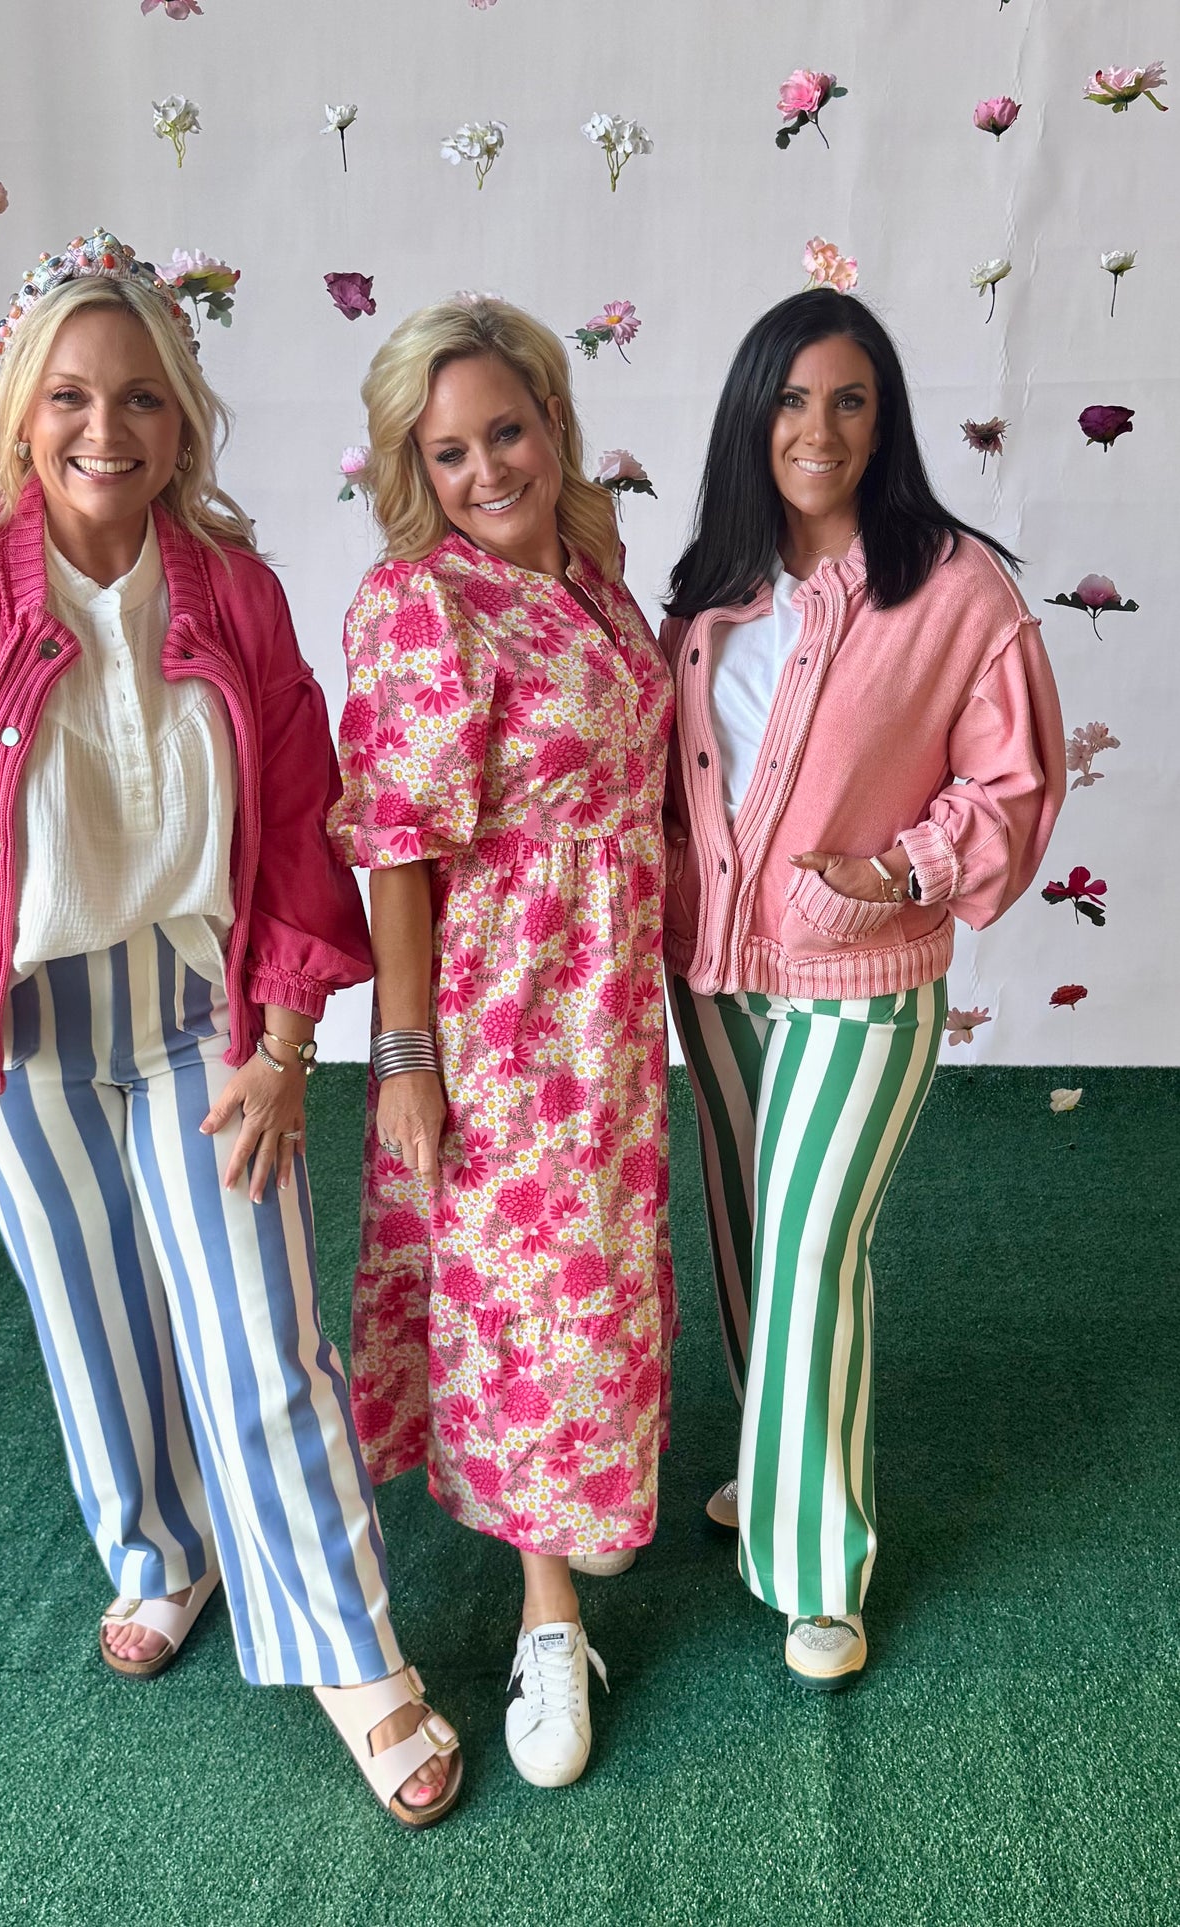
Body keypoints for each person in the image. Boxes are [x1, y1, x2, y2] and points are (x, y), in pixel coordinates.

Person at [0, 230, 460, 1826]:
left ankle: (352, 1651)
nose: (104, 430)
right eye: (69, 395)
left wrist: (281, 1045)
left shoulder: (236, 592)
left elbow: (293, 825)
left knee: (257, 1337)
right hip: (17, 1019)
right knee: (90, 1314)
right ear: (19, 408)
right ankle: (161, 1555)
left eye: (139, 397)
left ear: (182, 419)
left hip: (199, 1009)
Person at [662, 289, 1065, 1689]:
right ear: (749, 416)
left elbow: (1012, 785)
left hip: (859, 976)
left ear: (881, 420)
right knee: (746, 1230)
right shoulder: (709, 582)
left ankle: (817, 1566)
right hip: (710, 972)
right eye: (789, 400)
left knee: (812, 1245)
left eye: (846, 401)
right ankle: (772, 1465)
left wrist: (896, 873)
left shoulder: (954, 589)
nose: (816, 429)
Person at [328, 296, 676, 1787]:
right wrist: (406, 1059)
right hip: (507, 1004)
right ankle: (546, 1616)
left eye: (506, 432)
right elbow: (396, 850)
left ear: (551, 420)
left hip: (614, 992)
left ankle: (579, 1522)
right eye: (449, 449)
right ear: (417, 463)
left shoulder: (594, 574)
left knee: (595, 1284)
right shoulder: (422, 602)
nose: (486, 470)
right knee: (539, 1296)